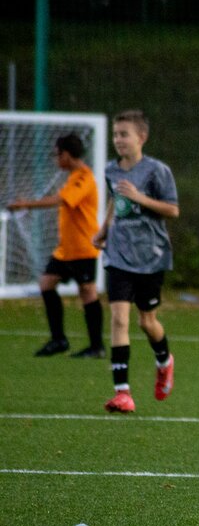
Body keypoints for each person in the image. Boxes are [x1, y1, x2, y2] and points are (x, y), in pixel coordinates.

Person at [92, 110, 179, 414]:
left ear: (142, 137)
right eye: (116, 135)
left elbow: (173, 210)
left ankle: (164, 361)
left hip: (151, 256)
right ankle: (122, 393)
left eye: (124, 134)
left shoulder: (157, 171)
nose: (118, 140)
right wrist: (104, 230)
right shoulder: (111, 170)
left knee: (147, 322)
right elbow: (116, 200)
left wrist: (140, 197)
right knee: (119, 319)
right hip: (118, 254)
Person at [6, 134, 105, 358]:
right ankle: (58, 339)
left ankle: (96, 346)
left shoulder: (84, 177)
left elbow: (62, 200)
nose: (55, 159)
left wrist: (26, 204)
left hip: (83, 247)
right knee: (46, 283)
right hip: (65, 249)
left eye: (57, 154)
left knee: (87, 291)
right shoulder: (72, 177)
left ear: (66, 155)